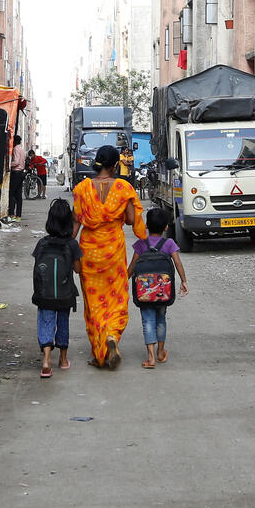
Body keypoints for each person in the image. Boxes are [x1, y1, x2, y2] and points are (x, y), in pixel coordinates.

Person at [72, 144, 146, 369]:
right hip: (113, 250)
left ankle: (99, 352)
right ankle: (112, 336)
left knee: (94, 302)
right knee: (115, 298)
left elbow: (75, 223)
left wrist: (66, 249)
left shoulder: (82, 188)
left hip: (89, 251)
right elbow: (132, 220)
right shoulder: (123, 187)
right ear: (115, 165)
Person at [129, 207, 187, 369]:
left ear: (146, 226)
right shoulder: (169, 243)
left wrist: (122, 282)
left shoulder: (141, 244)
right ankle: (161, 352)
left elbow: (133, 266)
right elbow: (177, 263)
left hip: (144, 293)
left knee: (147, 320)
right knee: (161, 319)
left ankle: (151, 357)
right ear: (166, 227)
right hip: (163, 292)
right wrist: (184, 281)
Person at [31, 199, 82, 378]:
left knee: (46, 321)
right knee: (63, 322)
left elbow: (38, 267)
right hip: (64, 293)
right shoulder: (72, 245)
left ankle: (46, 360)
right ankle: (62, 359)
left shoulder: (42, 243)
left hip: (44, 294)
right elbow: (77, 269)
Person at [7, 135, 27, 221]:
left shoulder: (15, 149)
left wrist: (8, 165)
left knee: (11, 194)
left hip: (16, 173)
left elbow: (16, 162)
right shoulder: (22, 149)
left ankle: (11, 214)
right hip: (21, 173)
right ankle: (18, 216)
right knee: (19, 195)